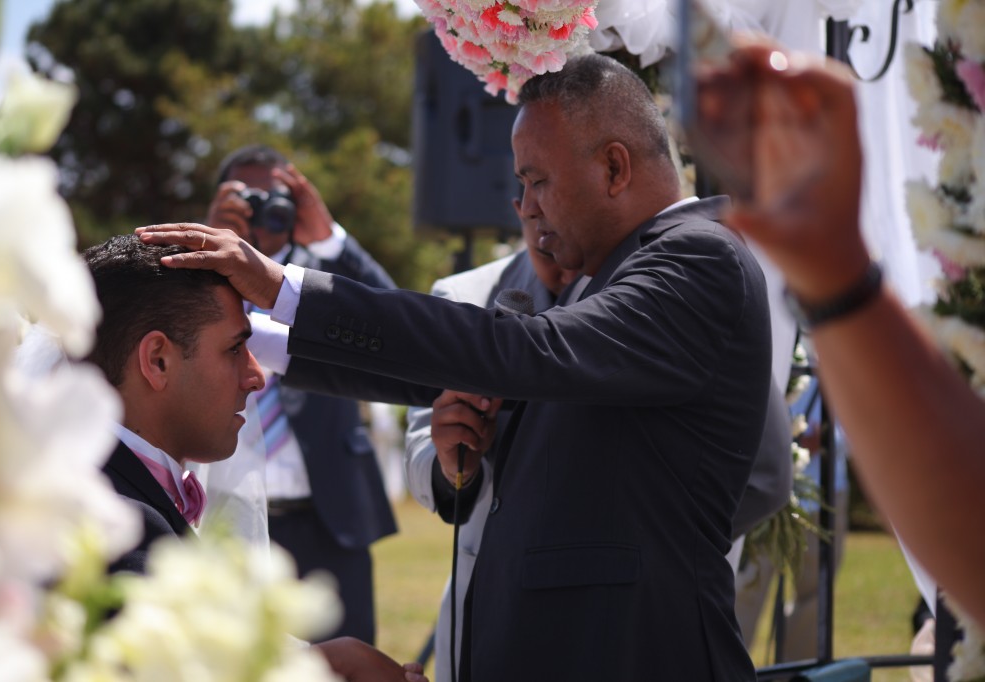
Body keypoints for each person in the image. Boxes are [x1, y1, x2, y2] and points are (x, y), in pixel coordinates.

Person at [140, 53, 776, 681]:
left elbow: (518, 354)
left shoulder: (697, 259)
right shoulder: (604, 278)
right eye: (519, 186)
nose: (524, 208)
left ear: (614, 166)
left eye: (538, 180)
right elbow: (478, 380)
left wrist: (283, 287)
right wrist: (257, 339)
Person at [688, 43, 985, 627]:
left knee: (812, 600)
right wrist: (832, 270)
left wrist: (835, 274)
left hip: (837, 472)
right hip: (814, 468)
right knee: (752, 591)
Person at [83, 234, 426, 682]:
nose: (256, 376)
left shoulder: (118, 487)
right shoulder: (115, 522)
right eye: (233, 348)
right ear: (158, 361)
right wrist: (328, 666)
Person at [206, 144, 397, 643]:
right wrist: (214, 237)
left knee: (347, 659)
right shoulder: (201, 274)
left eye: (277, 197)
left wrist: (329, 236)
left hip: (329, 517)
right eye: (250, 199)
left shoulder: (326, 271)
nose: (265, 211)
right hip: (233, 517)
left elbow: (401, 322)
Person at [404, 199, 579, 682]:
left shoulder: (632, 291)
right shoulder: (462, 295)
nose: (563, 266)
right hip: (490, 597)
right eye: (546, 250)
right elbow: (419, 449)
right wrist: (448, 462)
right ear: (519, 210)